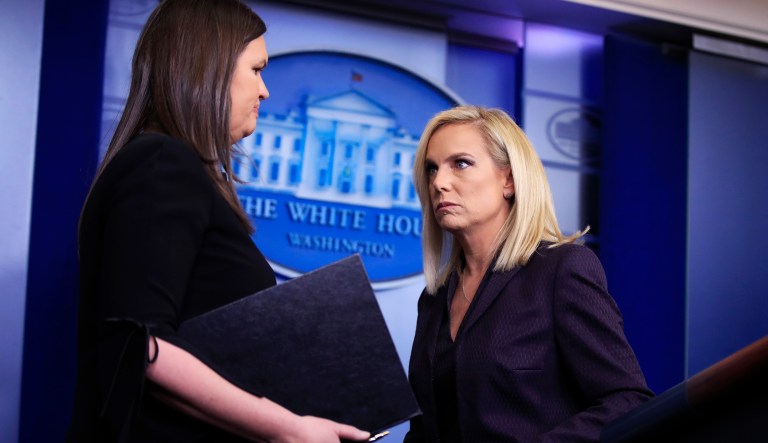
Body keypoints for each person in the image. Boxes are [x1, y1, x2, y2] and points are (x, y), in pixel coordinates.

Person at [67, 1, 371, 442]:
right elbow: (141, 345)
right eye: (257, 69)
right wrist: (289, 429)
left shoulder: (165, 166)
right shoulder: (161, 163)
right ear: (208, 69)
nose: (265, 91)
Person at [404, 105, 654, 442]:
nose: (439, 182)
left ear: (508, 179)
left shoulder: (561, 270)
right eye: (432, 169)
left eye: (460, 164)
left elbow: (627, 402)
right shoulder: (434, 299)